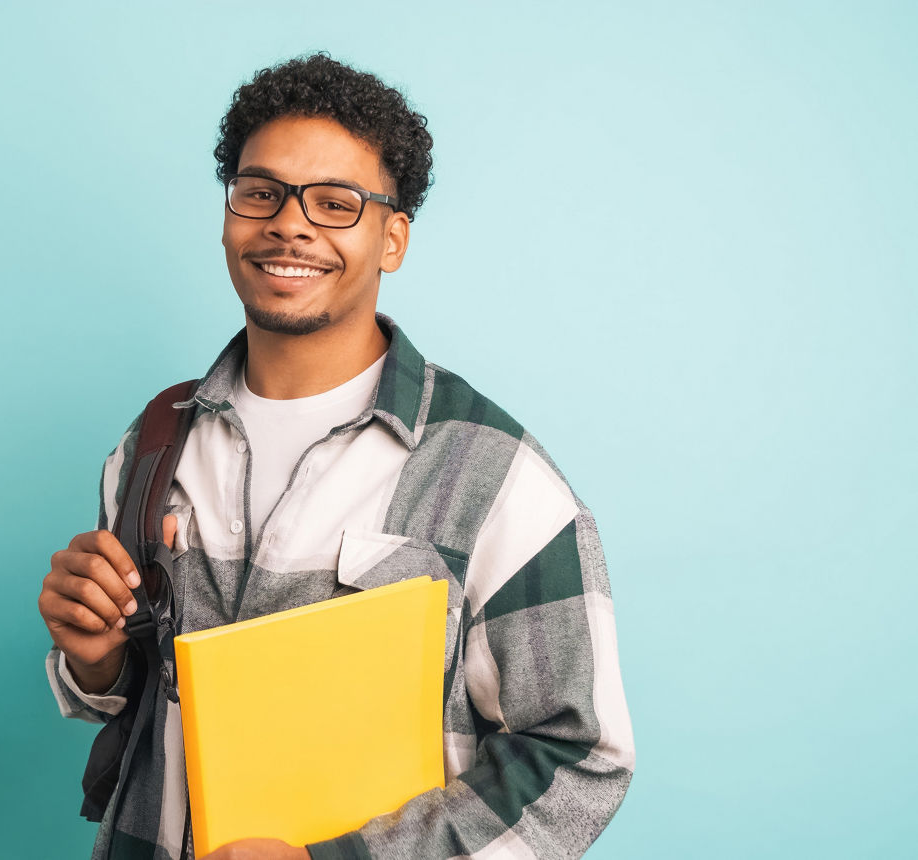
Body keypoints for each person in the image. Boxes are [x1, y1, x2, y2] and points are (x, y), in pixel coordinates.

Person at [39, 54, 634, 860]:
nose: (290, 223)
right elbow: (143, 708)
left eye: (334, 203)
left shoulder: (499, 480)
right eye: (261, 192)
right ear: (228, 217)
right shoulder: (149, 447)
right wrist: (97, 659)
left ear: (392, 239)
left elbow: (579, 754)